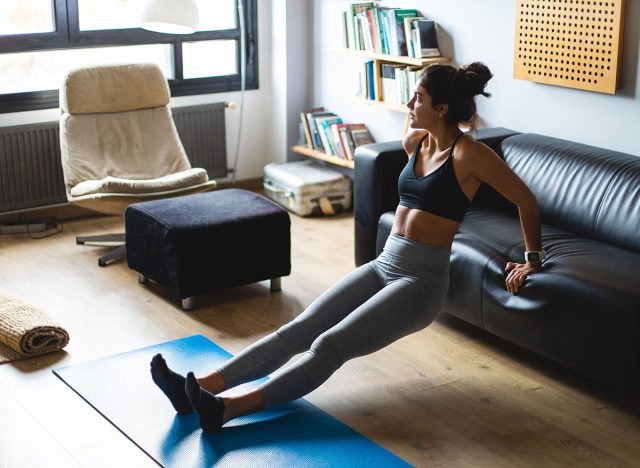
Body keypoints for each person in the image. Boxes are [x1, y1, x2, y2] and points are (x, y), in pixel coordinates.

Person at [150, 62, 544, 433]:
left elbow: (525, 200)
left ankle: (227, 409)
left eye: (418, 99)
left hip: (421, 281)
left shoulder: (469, 154)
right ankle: (201, 387)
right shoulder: (416, 143)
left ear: (441, 108)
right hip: (385, 263)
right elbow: (416, 154)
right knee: (300, 328)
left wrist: (531, 259)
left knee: (330, 344)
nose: (409, 105)